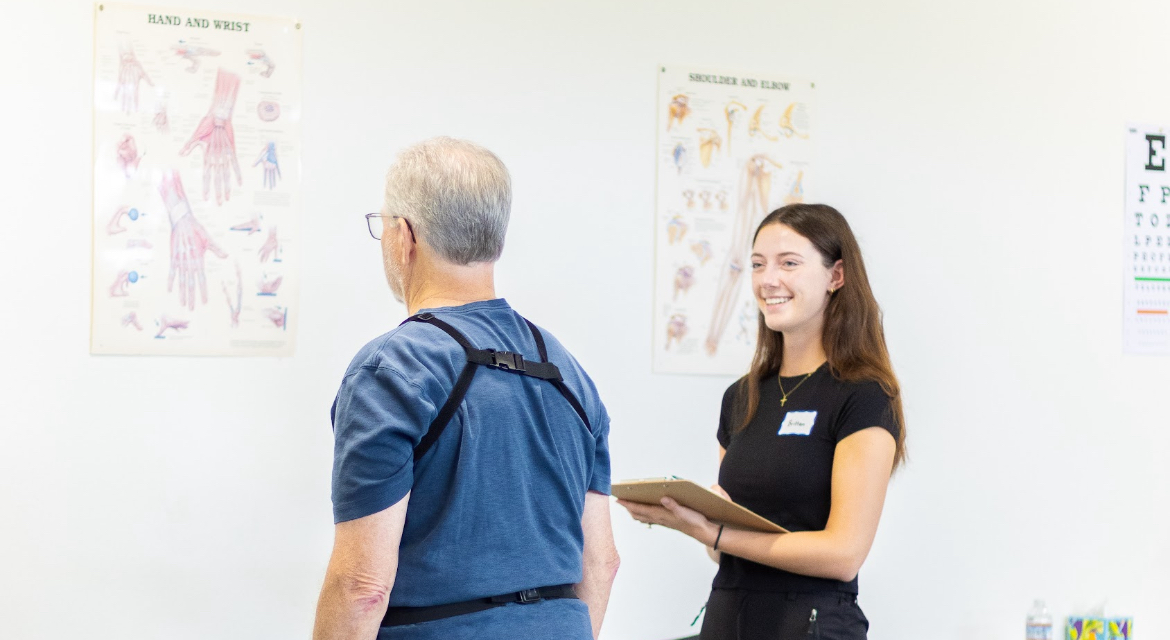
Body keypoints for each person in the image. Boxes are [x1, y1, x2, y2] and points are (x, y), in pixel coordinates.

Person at [314, 137, 620, 640]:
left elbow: (362, 586)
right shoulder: (569, 372)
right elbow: (602, 563)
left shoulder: (391, 370)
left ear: (403, 236)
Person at [619, 203, 906, 639]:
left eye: (789, 263)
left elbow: (843, 554)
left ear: (836, 276)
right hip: (729, 619)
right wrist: (696, 520)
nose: (768, 279)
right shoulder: (741, 397)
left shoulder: (863, 396)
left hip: (811, 625)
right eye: (757, 264)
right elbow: (727, 553)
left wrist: (713, 533)